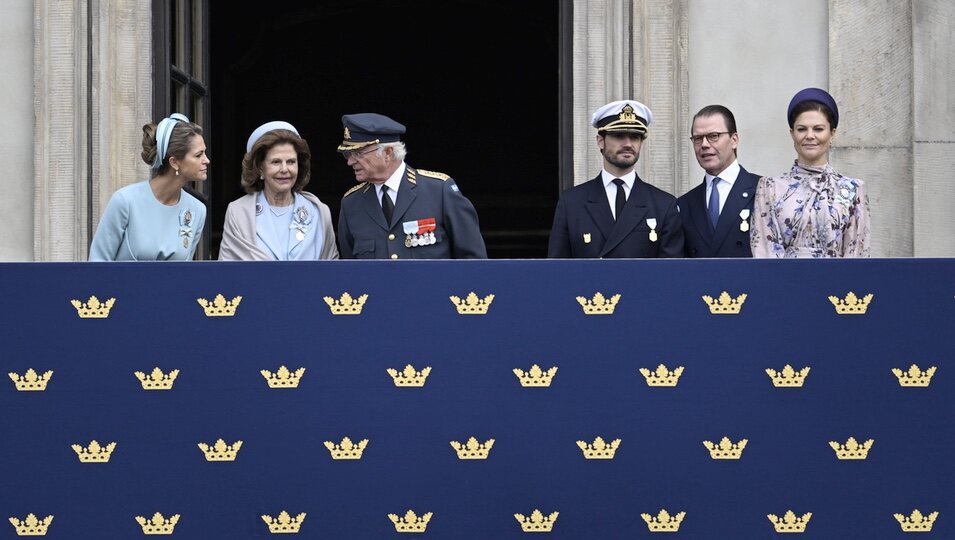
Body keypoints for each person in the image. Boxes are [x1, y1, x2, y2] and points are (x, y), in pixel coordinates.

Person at [336, 113, 487, 259]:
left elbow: (473, 261)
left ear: (388, 153)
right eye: (348, 154)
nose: (350, 161)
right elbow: (352, 272)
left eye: (358, 153)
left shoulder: (439, 190)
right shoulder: (351, 203)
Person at [548, 99, 684, 258]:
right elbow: (558, 271)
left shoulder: (664, 205)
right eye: (619, 136)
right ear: (600, 141)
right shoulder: (571, 203)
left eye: (635, 137)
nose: (628, 144)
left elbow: (669, 274)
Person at [751, 88, 871, 257]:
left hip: (837, 281)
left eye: (818, 129)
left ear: (832, 133)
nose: (810, 136)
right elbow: (764, 253)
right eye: (801, 129)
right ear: (792, 134)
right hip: (783, 282)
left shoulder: (852, 189)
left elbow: (857, 254)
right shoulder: (770, 188)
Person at [89, 113, 209, 261]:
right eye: (198, 155)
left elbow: (183, 274)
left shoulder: (197, 210)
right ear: (174, 162)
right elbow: (97, 264)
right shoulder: (125, 201)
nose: (206, 160)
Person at [218, 121, 338, 261]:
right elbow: (227, 273)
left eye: (291, 162)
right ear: (260, 168)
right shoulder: (239, 212)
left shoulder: (318, 212)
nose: (284, 169)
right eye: (276, 162)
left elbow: (332, 272)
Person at [677, 105, 761, 257]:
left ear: (734, 140)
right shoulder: (684, 204)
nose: (704, 144)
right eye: (697, 138)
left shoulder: (762, 191)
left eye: (713, 136)